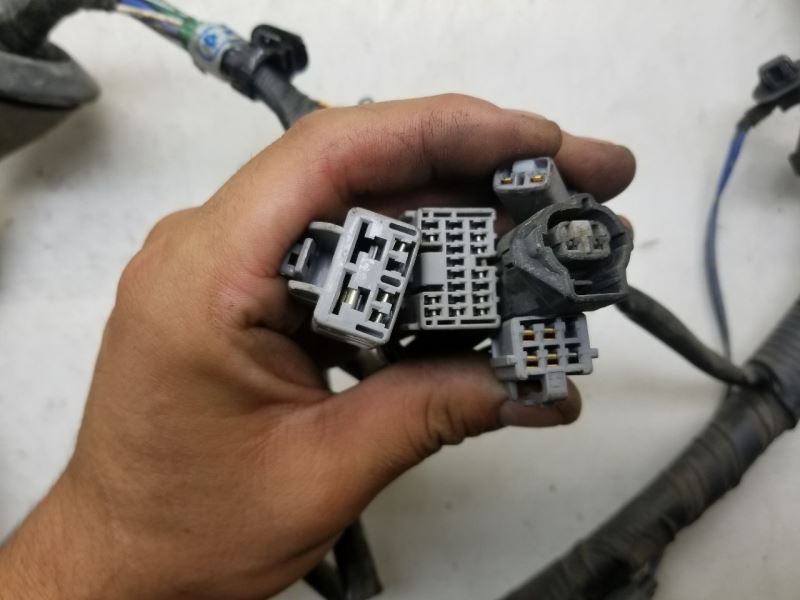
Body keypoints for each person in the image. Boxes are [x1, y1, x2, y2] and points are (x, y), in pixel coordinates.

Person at [0, 94, 635, 599]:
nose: (573, 240)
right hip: (428, 309)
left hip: (461, 319)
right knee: (393, 286)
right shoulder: (489, 230)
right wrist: (108, 542)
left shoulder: (542, 271)